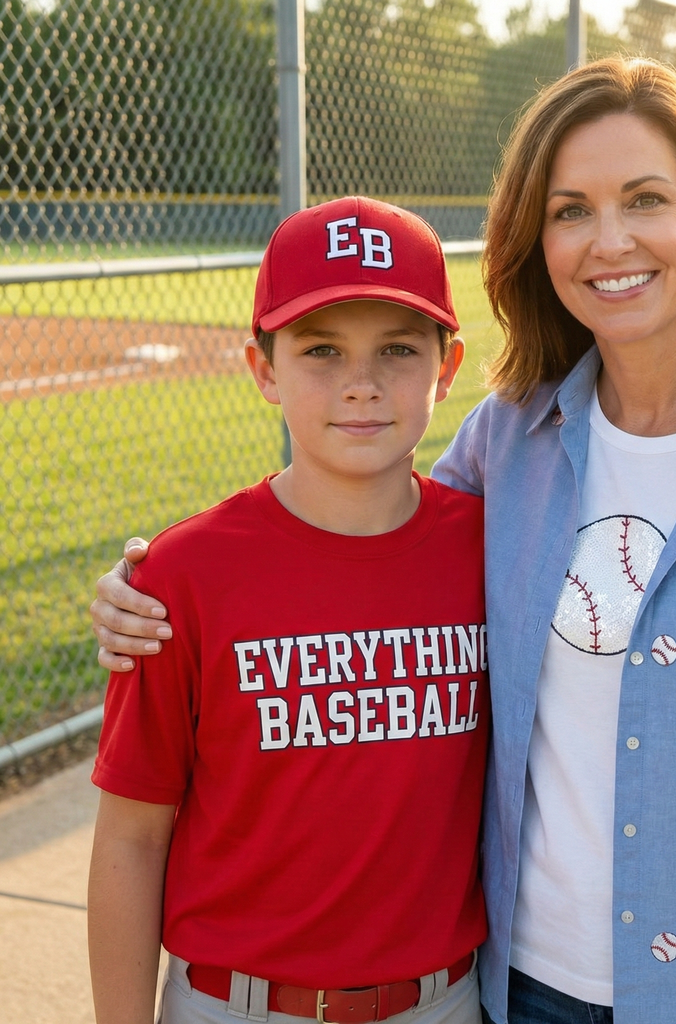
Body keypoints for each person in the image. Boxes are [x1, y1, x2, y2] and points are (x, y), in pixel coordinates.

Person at [91, 58, 676, 1024]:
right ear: (537, 242)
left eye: (646, 199)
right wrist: (146, 587)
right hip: (516, 992)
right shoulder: (513, 440)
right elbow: (357, 535)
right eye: (571, 209)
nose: (608, 239)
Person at [87, 196, 488, 1024]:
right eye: (321, 350)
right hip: (238, 1005)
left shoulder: (496, 550)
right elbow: (131, 838)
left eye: (399, 349)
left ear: (446, 371)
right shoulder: (183, 576)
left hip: (443, 1002)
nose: (362, 384)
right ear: (263, 369)